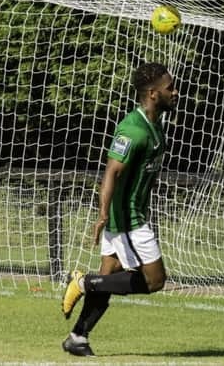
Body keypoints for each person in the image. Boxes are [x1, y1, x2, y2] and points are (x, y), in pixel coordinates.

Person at [61, 62, 179, 356]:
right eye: (170, 88)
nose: (175, 93)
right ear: (153, 94)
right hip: (128, 219)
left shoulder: (155, 126)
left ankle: (78, 337)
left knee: (109, 279)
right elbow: (111, 172)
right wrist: (103, 214)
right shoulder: (133, 129)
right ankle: (84, 281)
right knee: (154, 281)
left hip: (131, 214)